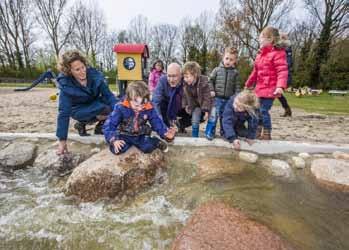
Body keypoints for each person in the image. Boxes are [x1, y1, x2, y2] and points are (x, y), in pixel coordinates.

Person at [56, 50, 118, 155]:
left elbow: (109, 95)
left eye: (83, 67)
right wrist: (62, 141)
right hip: (78, 110)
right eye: (77, 70)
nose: (82, 71)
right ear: (69, 71)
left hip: (95, 103)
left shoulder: (95, 76)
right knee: (104, 109)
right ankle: (81, 123)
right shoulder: (66, 85)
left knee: (118, 103)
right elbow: (63, 113)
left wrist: (120, 111)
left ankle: (101, 126)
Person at [103, 81, 176, 155]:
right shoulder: (120, 107)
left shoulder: (149, 108)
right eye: (136, 105)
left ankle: (155, 141)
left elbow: (157, 122)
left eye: (143, 105)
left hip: (140, 135)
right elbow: (109, 124)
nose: (140, 108)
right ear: (128, 100)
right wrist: (114, 139)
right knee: (117, 149)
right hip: (123, 134)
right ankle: (124, 143)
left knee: (148, 147)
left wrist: (166, 134)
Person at [245, 26, 288, 140]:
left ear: (270, 39)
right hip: (259, 89)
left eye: (261, 37)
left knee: (264, 110)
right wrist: (248, 84)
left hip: (270, 89)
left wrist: (280, 86)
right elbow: (255, 71)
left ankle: (267, 133)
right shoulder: (260, 54)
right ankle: (258, 131)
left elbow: (282, 70)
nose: (259, 39)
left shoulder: (278, 53)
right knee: (256, 110)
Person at [206, 47, 241, 140]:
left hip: (228, 100)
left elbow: (237, 87)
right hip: (217, 98)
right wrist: (211, 90)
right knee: (214, 115)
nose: (228, 61)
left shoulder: (235, 73)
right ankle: (210, 131)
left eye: (231, 59)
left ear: (235, 61)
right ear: (223, 58)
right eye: (227, 58)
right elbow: (210, 81)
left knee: (225, 117)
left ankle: (224, 132)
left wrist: (236, 97)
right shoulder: (216, 70)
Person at [152, 63, 191, 133]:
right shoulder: (162, 81)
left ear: (181, 75)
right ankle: (167, 125)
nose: (171, 80)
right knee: (160, 104)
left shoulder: (187, 80)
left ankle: (180, 124)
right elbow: (155, 100)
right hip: (168, 108)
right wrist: (159, 117)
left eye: (174, 76)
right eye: (169, 76)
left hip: (183, 107)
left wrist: (190, 104)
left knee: (201, 111)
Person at [182, 61, 213, 138]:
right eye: (184, 77)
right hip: (196, 105)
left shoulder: (204, 82)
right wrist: (186, 105)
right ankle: (194, 135)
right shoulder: (186, 84)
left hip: (206, 103)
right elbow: (185, 96)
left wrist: (206, 110)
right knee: (195, 119)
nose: (185, 79)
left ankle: (210, 132)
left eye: (187, 77)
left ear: (195, 75)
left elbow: (207, 97)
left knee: (212, 117)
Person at [278, 32, 293, 117]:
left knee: (276, 92)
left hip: (284, 75)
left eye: (282, 38)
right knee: (277, 93)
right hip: (280, 74)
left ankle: (287, 109)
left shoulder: (287, 50)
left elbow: (288, 63)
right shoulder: (280, 49)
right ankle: (287, 109)